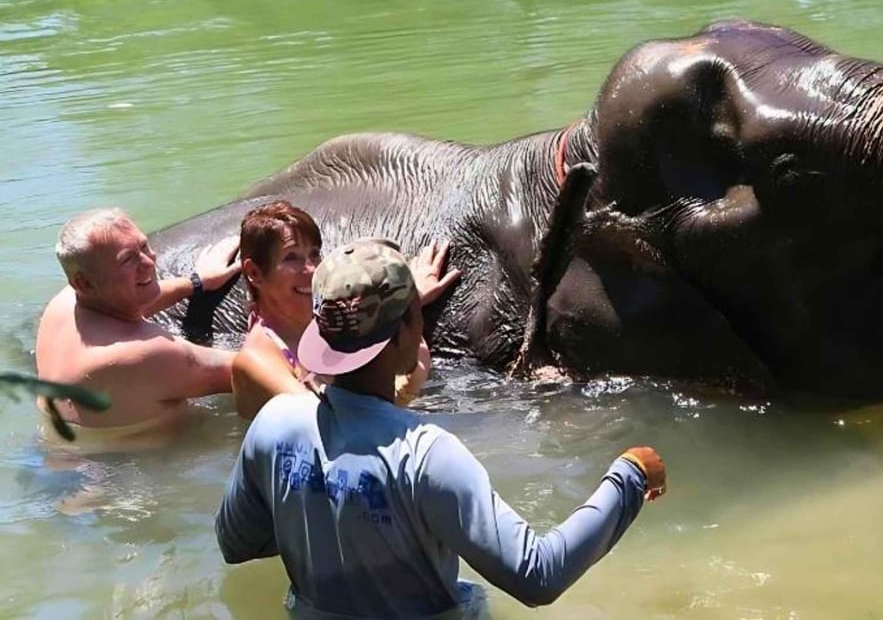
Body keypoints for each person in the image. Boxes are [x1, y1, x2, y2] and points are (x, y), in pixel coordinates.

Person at [215, 239, 667, 618]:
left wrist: (324, 514)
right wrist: (628, 475)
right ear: (411, 325)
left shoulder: (274, 424)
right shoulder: (427, 454)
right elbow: (538, 576)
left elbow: (236, 544)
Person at [231, 200, 459, 420]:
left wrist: (407, 294)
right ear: (254, 273)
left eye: (314, 254)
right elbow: (329, 427)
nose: (312, 270)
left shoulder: (324, 322)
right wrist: (407, 388)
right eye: (292, 258)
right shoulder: (256, 360)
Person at [34, 207, 242, 440]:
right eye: (127, 259)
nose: (149, 262)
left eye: (143, 247)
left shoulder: (61, 305)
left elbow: (129, 300)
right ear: (84, 284)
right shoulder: (142, 355)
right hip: (122, 467)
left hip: (56, 445)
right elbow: (254, 370)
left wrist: (197, 282)